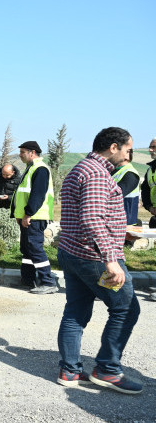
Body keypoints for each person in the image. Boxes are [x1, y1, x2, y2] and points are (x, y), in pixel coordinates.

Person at [56, 127, 142, 395]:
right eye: (128, 149)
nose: (129, 156)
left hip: (73, 253)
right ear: (113, 147)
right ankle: (107, 369)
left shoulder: (83, 168)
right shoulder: (96, 173)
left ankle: (69, 370)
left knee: (76, 311)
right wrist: (111, 259)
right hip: (93, 258)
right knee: (126, 308)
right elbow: (92, 218)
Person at [10, 141, 58, 294]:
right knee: (27, 249)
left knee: (35, 248)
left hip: (35, 216)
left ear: (32, 153)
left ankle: (48, 282)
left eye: (23, 152)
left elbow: (37, 194)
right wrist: (18, 214)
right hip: (28, 216)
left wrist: (28, 214)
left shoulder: (40, 169)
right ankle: (28, 280)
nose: (20, 154)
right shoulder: (30, 168)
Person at [112, 149, 141, 225]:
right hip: (113, 221)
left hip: (125, 224)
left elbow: (114, 196)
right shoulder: (111, 171)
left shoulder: (130, 173)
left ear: (127, 155)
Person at [141, 137, 156, 228]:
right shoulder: (150, 170)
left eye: (154, 147)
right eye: (150, 147)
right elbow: (145, 190)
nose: (150, 150)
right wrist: (149, 207)